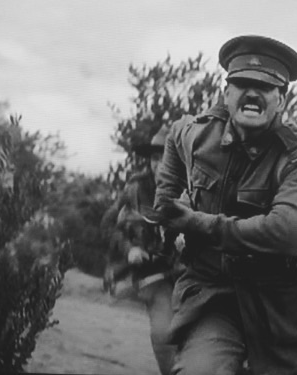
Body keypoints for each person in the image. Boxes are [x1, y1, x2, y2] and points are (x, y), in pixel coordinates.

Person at [154, 35, 297, 375]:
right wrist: (166, 205)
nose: (252, 93)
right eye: (242, 83)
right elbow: (172, 139)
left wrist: (193, 223)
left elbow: (287, 234)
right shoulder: (198, 134)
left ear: (281, 100)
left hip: (284, 304)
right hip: (214, 294)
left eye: (265, 86)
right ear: (226, 94)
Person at [100, 124, 181, 375]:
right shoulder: (135, 188)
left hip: (188, 272)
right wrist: (128, 250)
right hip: (153, 275)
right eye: (155, 159)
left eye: (166, 159)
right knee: (162, 332)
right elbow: (106, 226)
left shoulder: (192, 187)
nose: (159, 165)